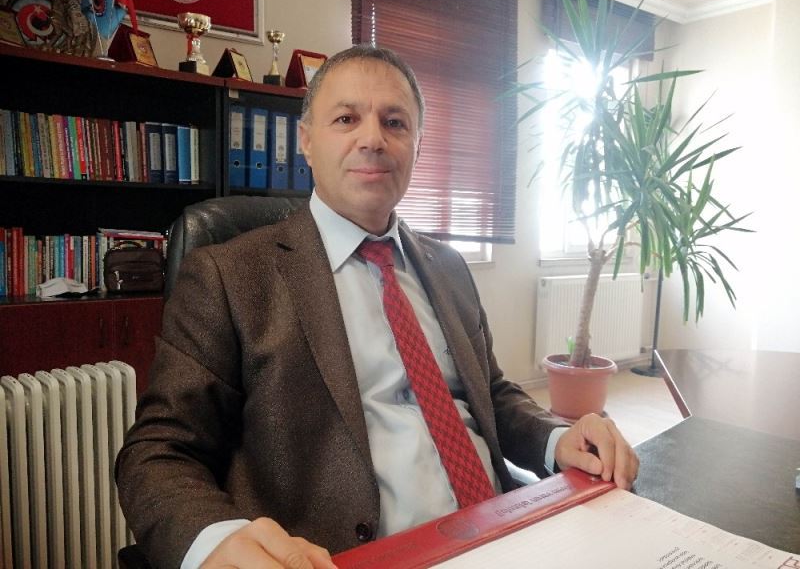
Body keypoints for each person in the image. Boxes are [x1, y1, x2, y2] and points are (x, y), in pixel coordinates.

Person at [116, 44, 639, 569]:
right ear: (307, 141)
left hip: (504, 533)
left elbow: (492, 394)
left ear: (417, 145)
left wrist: (556, 436)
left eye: (395, 123)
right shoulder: (229, 274)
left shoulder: (448, 267)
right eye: (346, 119)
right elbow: (159, 452)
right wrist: (214, 539)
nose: (373, 139)